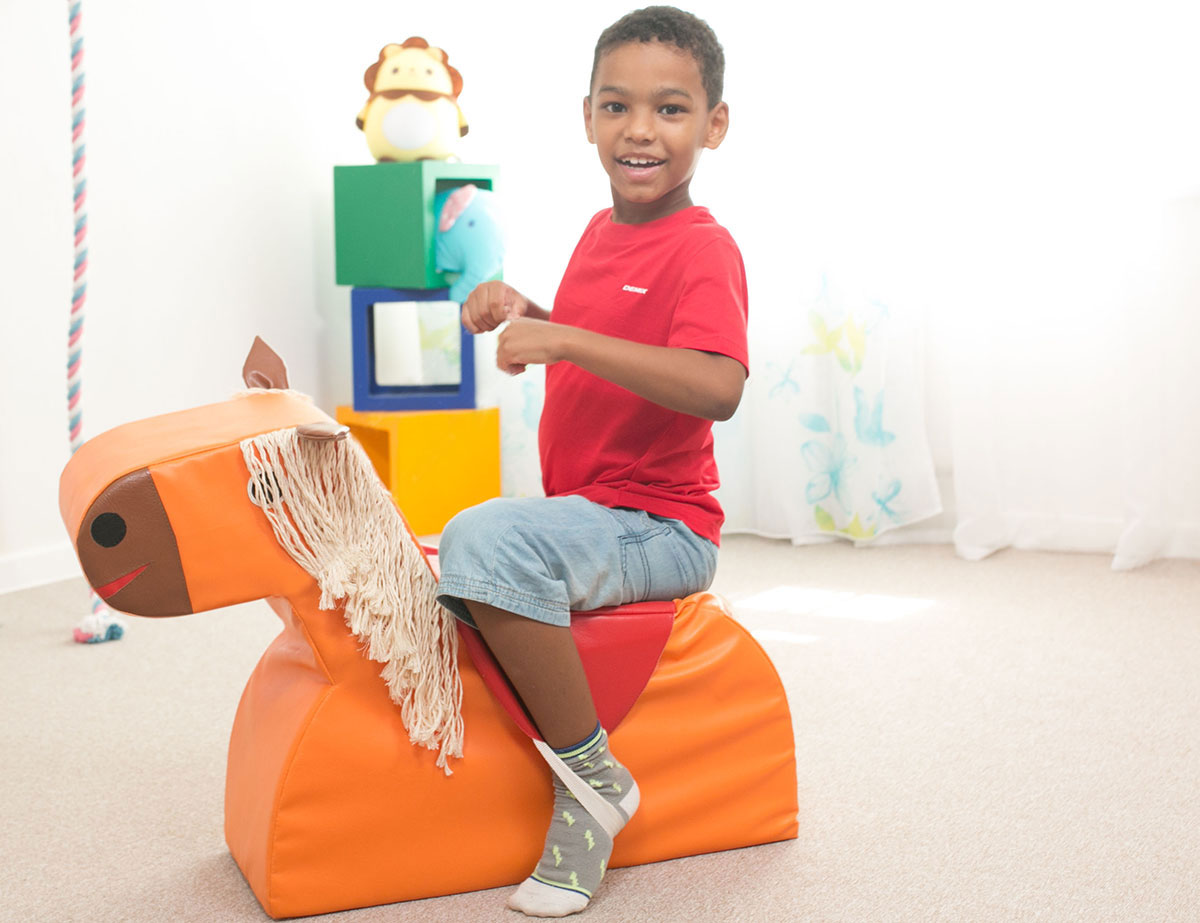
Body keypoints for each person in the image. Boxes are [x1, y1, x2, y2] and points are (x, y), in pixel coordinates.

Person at [435, 6, 748, 917]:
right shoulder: (597, 233)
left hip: (663, 524)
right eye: (617, 106)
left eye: (670, 109)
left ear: (714, 125)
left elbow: (717, 384)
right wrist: (526, 310)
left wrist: (563, 337)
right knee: (448, 563)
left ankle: (592, 782)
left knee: (479, 539)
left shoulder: (704, 247)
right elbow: (602, 342)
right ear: (587, 117)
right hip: (592, 507)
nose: (640, 130)